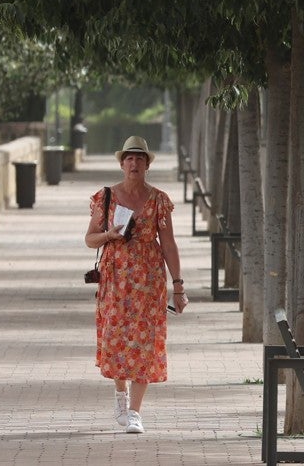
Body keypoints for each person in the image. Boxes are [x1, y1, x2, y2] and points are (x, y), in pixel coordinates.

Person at [84, 135, 188, 434]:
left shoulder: (158, 200)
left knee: (144, 339)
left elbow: (168, 244)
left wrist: (178, 286)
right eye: (129, 158)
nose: (134, 163)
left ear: (147, 165)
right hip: (115, 277)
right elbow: (89, 239)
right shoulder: (106, 197)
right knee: (116, 335)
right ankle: (120, 394)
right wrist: (110, 236)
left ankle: (135, 412)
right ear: (121, 164)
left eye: (139, 159)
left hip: (148, 278)